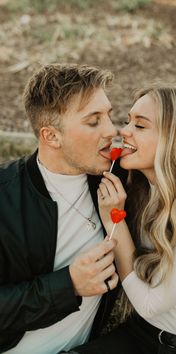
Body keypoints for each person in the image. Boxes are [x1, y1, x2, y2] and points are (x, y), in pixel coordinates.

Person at [71, 84, 176, 354]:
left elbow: (150, 303)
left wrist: (114, 218)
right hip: (143, 333)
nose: (123, 131)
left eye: (140, 125)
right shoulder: (144, 193)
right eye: (128, 121)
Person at [0, 64, 127, 354]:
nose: (112, 130)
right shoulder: (4, 197)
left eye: (108, 115)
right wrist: (68, 285)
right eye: (93, 121)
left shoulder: (118, 178)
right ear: (52, 137)